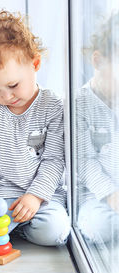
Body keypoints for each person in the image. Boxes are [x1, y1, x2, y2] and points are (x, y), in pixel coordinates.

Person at [0, 10, 70, 251]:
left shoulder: (53, 106)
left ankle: (16, 226)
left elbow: (55, 159)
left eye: (12, 85)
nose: (6, 97)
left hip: (39, 197)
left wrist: (35, 196)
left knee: (56, 231)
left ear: (35, 63)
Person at [76, 12, 119, 245]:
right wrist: (111, 195)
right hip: (94, 196)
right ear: (98, 61)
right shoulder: (79, 104)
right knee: (99, 226)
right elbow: (84, 161)